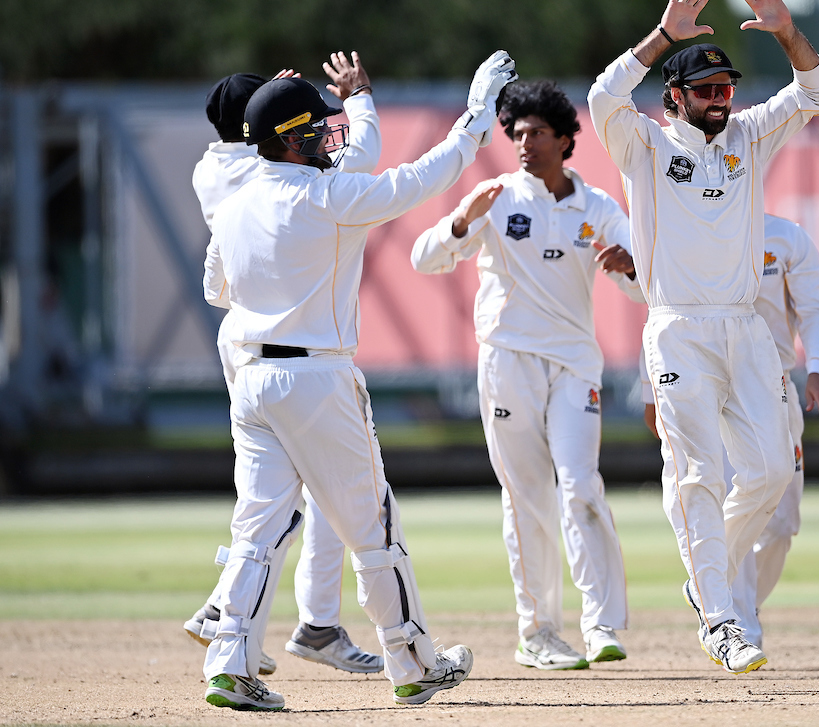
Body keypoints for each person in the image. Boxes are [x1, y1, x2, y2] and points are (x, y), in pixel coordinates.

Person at [200, 50, 517, 710]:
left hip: (252, 380)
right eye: (315, 128)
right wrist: (478, 112)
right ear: (288, 138)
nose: (327, 136)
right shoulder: (327, 196)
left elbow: (217, 290)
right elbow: (426, 176)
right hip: (316, 377)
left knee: (256, 530)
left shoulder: (233, 205)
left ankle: (229, 664)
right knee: (373, 525)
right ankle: (412, 661)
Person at [587, 0, 819, 674]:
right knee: (696, 473)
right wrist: (664, 35)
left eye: (726, 88)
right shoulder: (643, 145)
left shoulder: (750, 136)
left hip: (745, 330)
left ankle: (706, 582)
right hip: (678, 331)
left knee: (769, 473)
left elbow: (817, 93)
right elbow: (604, 96)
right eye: (706, 90)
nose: (721, 99)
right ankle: (723, 618)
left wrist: (787, 32)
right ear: (676, 98)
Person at [411, 80, 642, 670]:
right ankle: (538, 633)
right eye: (516, 133)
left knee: (581, 485)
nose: (524, 143)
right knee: (527, 498)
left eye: (537, 133)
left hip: (572, 364)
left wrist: (631, 269)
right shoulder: (496, 197)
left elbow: (648, 286)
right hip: (507, 361)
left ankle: (602, 626)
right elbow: (425, 260)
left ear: (566, 140)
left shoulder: (597, 208)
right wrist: (461, 222)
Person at [185, 51, 383, 677]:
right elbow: (348, 162)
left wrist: (274, 103)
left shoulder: (222, 165)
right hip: (273, 340)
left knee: (286, 493)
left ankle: (291, 619)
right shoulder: (249, 174)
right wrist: (349, 103)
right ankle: (253, 614)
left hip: (254, 331)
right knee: (291, 493)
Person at [640, 213, 819, 649]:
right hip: (709, 385)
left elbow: (814, 310)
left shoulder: (787, 238)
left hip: (773, 387)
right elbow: (662, 308)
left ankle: (713, 584)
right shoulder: (692, 227)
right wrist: (649, 388)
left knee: (780, 520)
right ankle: (736, 619)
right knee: (723, 489)